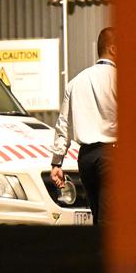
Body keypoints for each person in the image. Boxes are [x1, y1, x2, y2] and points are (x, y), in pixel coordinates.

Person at [51, 27, 117, 225]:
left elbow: (63, 125)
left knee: (98, 215)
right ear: (113, 49)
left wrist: (56, 163)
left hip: (86, 158)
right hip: (113, 156)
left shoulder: (75, 82)